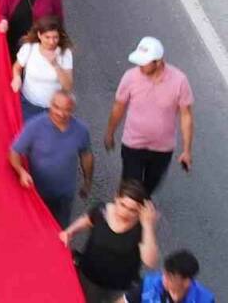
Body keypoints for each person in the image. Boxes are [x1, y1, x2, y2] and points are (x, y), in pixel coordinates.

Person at [104, 37, 194, 198]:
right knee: (131, 189)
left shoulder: (179, 81)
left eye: (144, 63)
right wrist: (110, 132)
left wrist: (186, 150)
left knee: (147, 191)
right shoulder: (130, 77)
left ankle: (136, 211)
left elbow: (186, 116)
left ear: (158, 62)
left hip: (162, 149)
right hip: (133, 144)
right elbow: (119, 106)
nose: (140, 66)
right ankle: (124, 213)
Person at [62, 180, 160, 303]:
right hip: (90, 278)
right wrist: (70, 232)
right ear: (116, 197)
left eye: (133, 210)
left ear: (141, 210)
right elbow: (87, 220)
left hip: (119, 286)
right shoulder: (102, 211)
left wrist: (148, 226)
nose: (125, 212)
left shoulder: (141, 227)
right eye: (122, 205)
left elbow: (150, 262)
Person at [9, 90, 93, 228]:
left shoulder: (81, 130)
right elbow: (14, 152)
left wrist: (87, 181)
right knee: (36, 229)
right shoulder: (34, 126)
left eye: (66, 110)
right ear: (50, 105)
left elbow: (87, 156)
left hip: (64, 195)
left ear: (72, 110)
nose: (60, 113)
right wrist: (21, 172)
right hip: (36, 193)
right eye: (56, 107)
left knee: (60, 229)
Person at [11, 15, 74, 120]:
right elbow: (17, 67)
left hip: (54, 109)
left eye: (55, 37)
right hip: (28, 105)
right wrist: (16, 77)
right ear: (39, 35)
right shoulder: (29, 48)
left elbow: (68, 86)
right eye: (47, 37)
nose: (51, 42)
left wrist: (55, 65)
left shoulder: (65, 53)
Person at [139, 251, 215, 303]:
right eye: (164, 274)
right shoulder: (149, 285)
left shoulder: (204, 300)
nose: (164, 279)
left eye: (170, 278)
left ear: (186, 282)